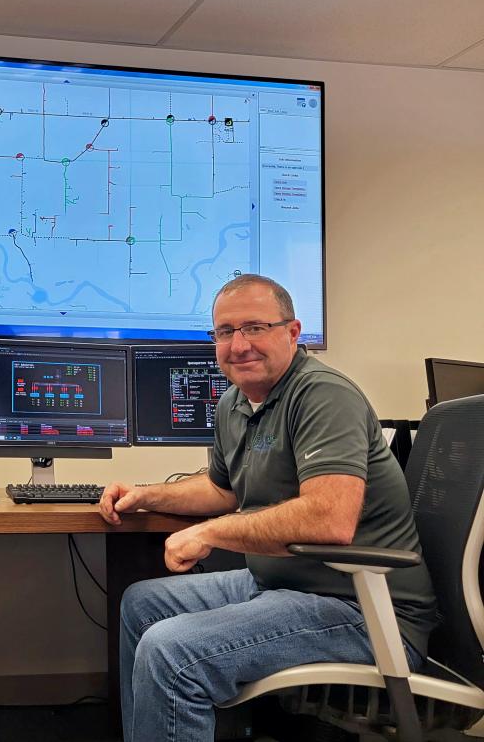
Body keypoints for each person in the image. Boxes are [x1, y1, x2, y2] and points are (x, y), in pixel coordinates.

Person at [99, 274, 436, 742]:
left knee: (171, 649)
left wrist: (209, 533)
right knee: (142, 604)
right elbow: (222, 490)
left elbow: (329, 519)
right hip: (280, 581)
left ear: (293, 332)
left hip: (363, 606)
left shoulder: (322, 394)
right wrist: (146, 495)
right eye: (225, 332)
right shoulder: (235, 402)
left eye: (255, 328)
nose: (238, 345)